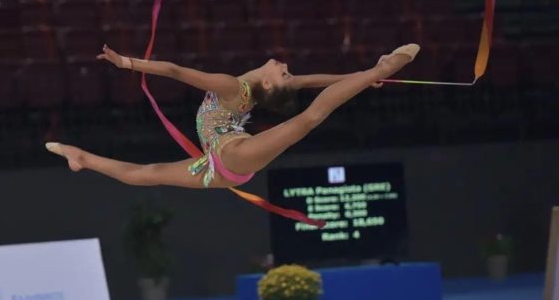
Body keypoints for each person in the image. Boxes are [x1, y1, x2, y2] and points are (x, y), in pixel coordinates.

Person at [46, 43, 419, 189]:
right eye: (287, 71)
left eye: (283, 73)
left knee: (307, 120)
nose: (285, 65)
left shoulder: (230, 87)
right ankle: (82, 157)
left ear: (270, 87)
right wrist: (356, 77)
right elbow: (308, 82)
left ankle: (381, 67)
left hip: (229, 156)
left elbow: (176, 70)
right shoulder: (253, 91)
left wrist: (127, 63)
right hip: (217, 163)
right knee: (147, 173)